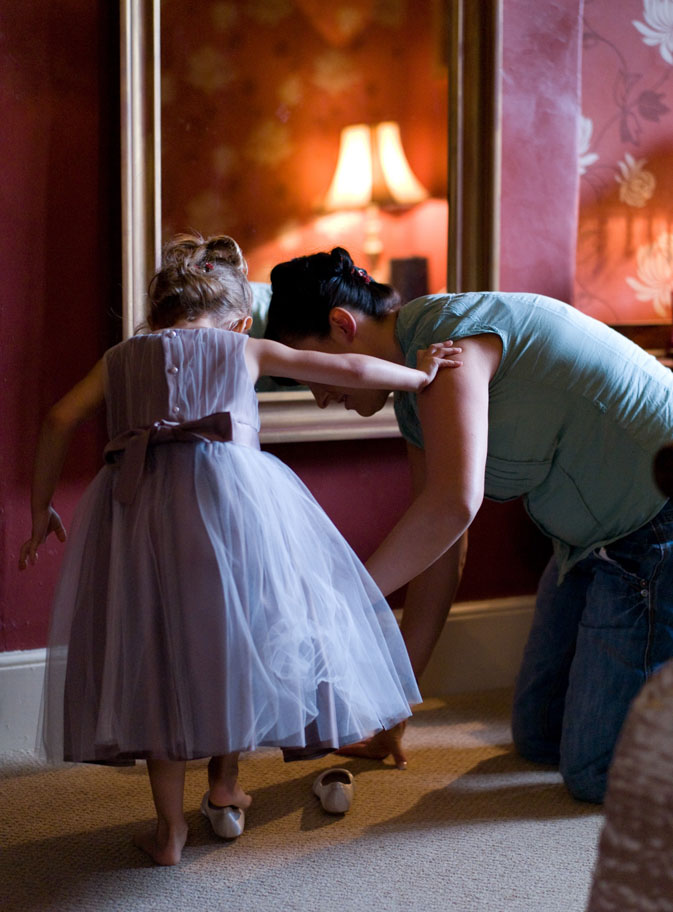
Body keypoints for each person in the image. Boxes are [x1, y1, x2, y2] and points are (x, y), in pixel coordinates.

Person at [19, 234, 462, 866]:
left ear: (155, 314)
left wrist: (42, 508)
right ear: (240, 319)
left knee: (161, 663)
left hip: (139, 519)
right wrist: (421, 375)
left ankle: (169, 831)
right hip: (235, 517)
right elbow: (352, 369)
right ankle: (225, 783)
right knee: (240, 645)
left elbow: (59, 419)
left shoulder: (120, 357)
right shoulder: (244, 348)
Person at [264, 245, 673, 804]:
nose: (319, 396)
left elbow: (455, 503)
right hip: (588, 542)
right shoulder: (414, 389)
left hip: (654, 525)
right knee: (538, 737)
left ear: (342, 326)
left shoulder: (449, 340)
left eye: (312, 369)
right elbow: (443, 547)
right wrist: (392, 715)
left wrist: (343, 602)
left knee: (596, 773)